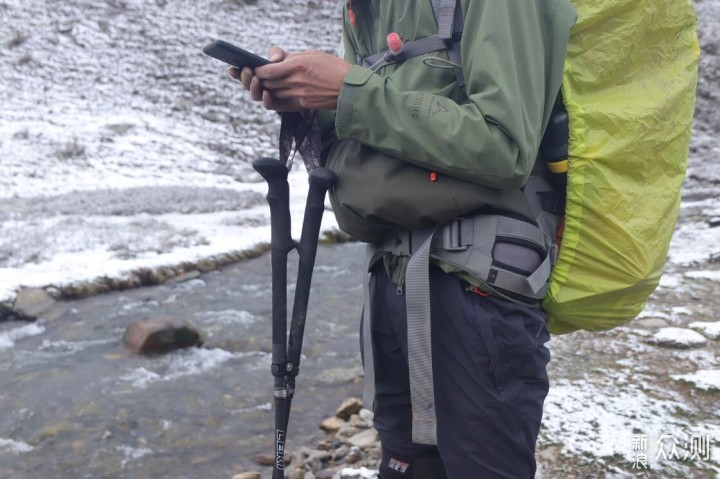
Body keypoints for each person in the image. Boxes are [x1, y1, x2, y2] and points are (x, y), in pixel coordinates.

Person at [231, 1, 576, 477]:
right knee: (406, 465)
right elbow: (379, 135)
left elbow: (504, 146)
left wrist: (348, 90)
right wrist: (309, 99)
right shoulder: (363, 7)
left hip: (475, 287)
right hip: (389, 277)